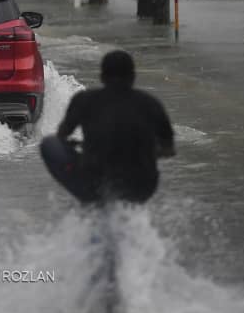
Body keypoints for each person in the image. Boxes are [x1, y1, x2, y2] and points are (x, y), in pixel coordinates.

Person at [55, 50, 174, 204]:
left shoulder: (84, 100)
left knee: (49, 145)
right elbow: (168, 149)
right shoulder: (151, 104)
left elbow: (61, 136)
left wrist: (78, 146)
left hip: (97, 179)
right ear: (133, 77)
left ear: (102, 76)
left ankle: (87, 200)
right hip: (142, 184)